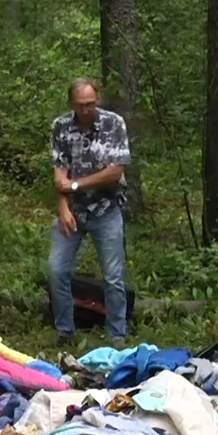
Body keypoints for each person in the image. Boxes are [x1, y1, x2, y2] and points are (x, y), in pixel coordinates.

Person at [48, 77, 131, 345]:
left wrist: (75, 184)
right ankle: (65, 330)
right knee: (56, 269)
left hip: (106, 209)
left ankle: (117, 335)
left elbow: (115, 171)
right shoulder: (60, 126)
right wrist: (63, 206)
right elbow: (59, 171)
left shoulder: (113, 123)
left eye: (91, 104)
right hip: (73, 210)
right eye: (81, 105)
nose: (86, 109)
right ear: (72, 103)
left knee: (113, 275)